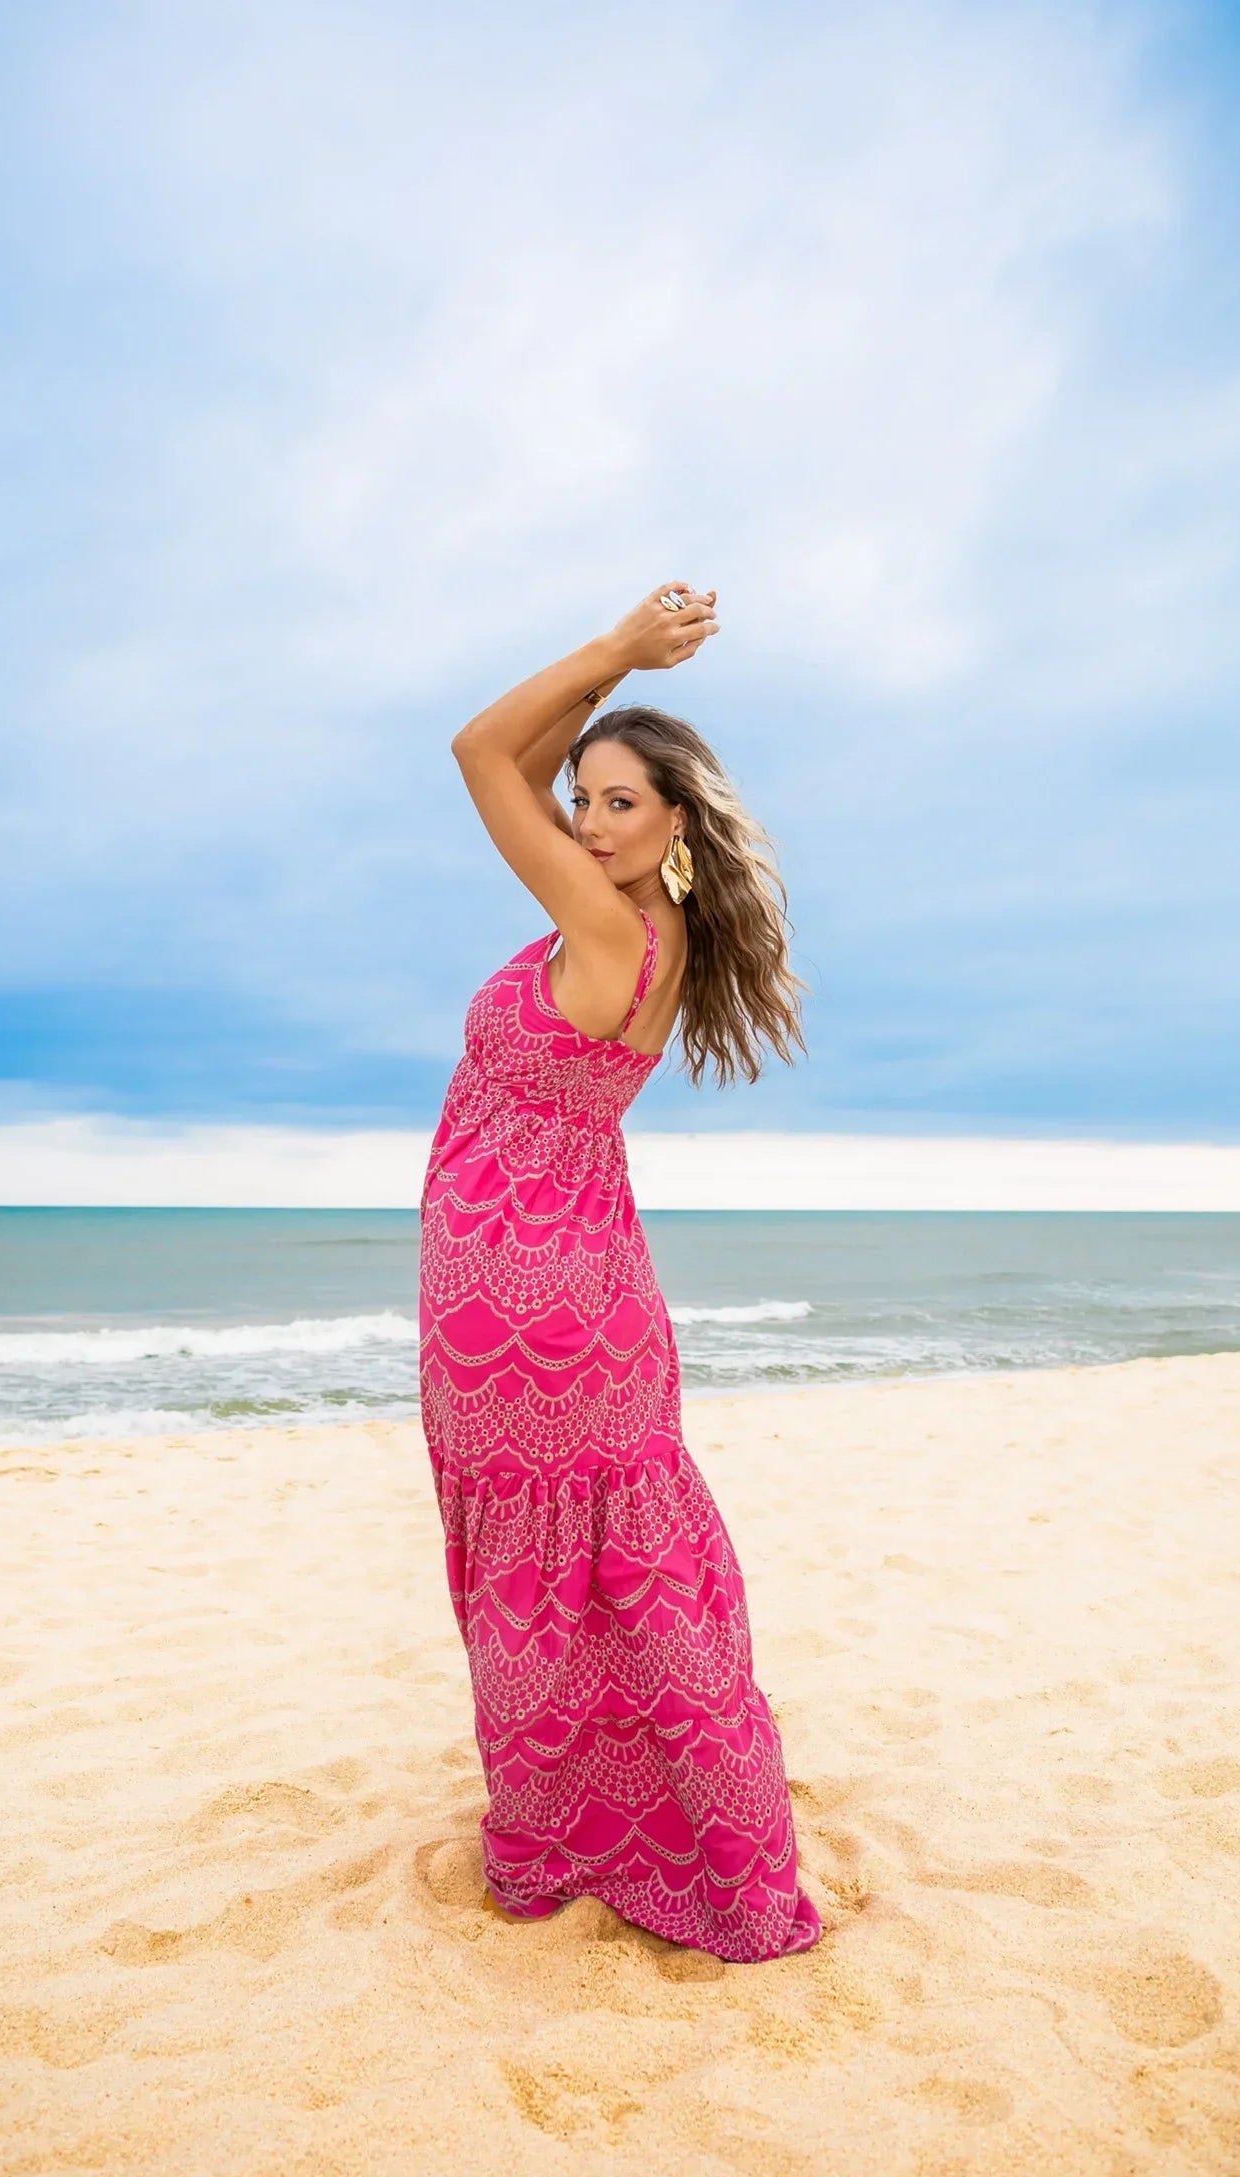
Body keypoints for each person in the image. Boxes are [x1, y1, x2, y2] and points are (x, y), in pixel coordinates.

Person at [419, 585, 822, 1962]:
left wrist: (616, 653)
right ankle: (677, 1809)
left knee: (534, 1578)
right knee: (621, 1569)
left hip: (514, 1291)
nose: (586, 822)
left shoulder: (602, 926)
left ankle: (565, 1836)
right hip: (592, 1280)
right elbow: (525, 768)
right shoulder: (664, 933)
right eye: (583, 803)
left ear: (679, 827)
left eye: (620, 805)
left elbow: (482, 751)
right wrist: (603, 716)